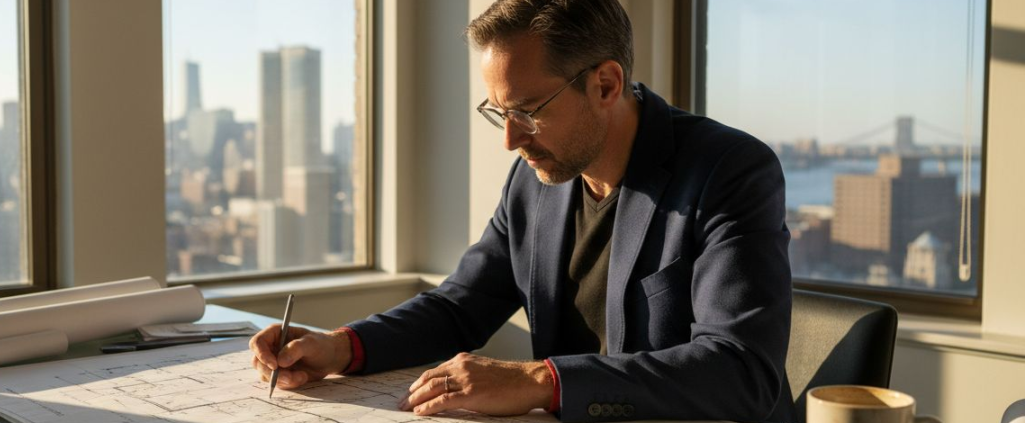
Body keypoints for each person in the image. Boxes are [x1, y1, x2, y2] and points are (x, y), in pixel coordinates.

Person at [250, 0, 796, 421]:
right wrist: (341, 346)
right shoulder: (537, 178)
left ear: (605, 83)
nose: (510, 139)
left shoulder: (729, 170)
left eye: (529, 112)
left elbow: (741, 371)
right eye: (498, 111)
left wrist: (543, 380)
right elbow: (460, 307)